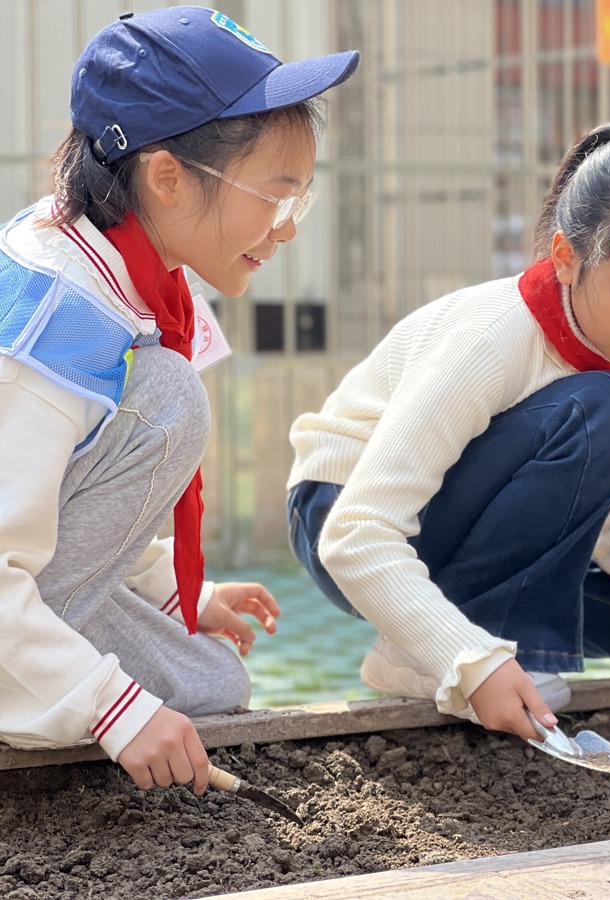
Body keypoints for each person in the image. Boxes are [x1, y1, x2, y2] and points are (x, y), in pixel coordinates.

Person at [287, 122, 610, 742]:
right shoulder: (493, 341)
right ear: (566, 257)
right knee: (605, 408)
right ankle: (425, 652)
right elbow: (356, 535)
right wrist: (470, 661)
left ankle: (485, 639)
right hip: (344, 509)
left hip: (470, 532)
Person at [0, 7, 358, 794]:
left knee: (213, 684)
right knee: (169, 393)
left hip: (33, 586)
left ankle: (51, 671)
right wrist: (114, 708)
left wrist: (170, 585)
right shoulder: (55, 319)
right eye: (276, 196)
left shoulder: (116, 268)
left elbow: (64, 497)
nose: (288, 228)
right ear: (166, 177)